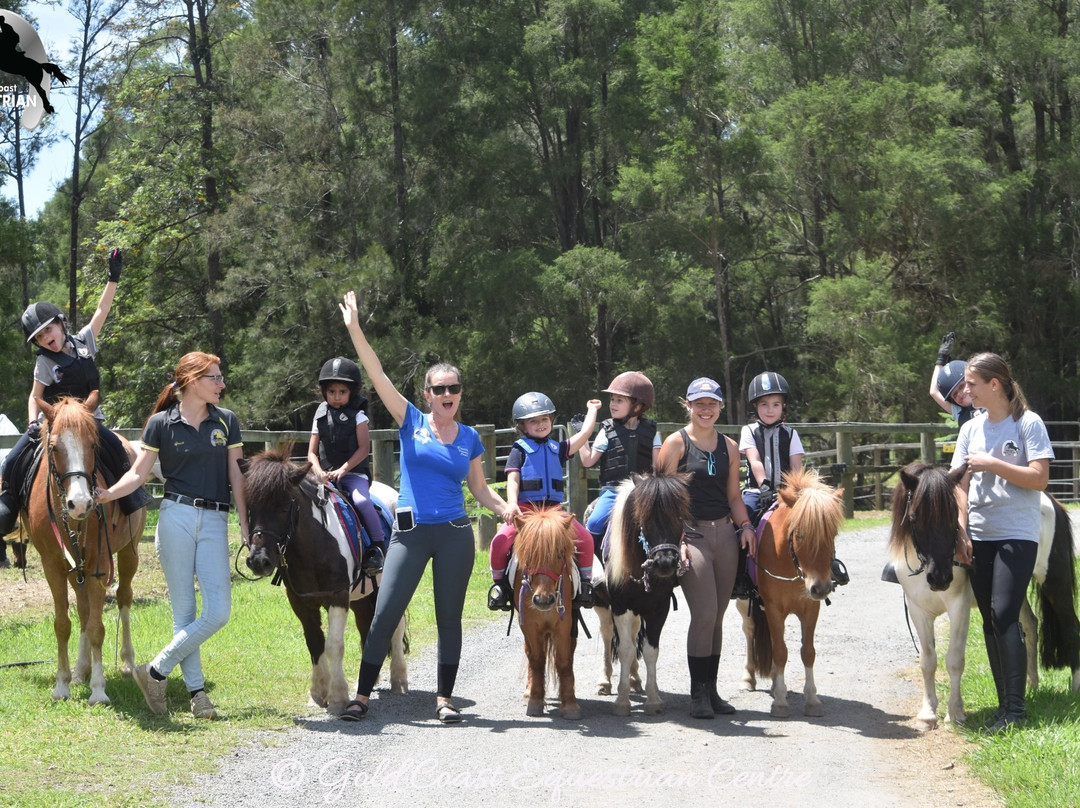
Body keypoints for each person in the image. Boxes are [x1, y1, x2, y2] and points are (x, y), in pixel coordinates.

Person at [338, 291, 518, 723]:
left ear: (460, 393)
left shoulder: (470, 437)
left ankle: (444, 699)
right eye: (439, 389)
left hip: (454, 534)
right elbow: (377, 373)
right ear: (428, 393)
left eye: (454, 388)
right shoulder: (410, 421)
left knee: (448, 618)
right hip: (411, 534)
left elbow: (479, 490)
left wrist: (506, 509)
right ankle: (362, 696)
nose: (447, 393)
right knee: (385, 612)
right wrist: (355, 329)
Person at [97, 352, 249, 720]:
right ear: (192, 381)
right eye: (215, 377)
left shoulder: (226, 422)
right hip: (175, 515)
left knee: (219, 612)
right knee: (184, 613)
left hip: (215, 520)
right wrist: (106, 495)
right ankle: (199, 696)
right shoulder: (160, 424)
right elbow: (139, 474)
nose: (222, 384)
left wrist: (245, 523)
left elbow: (237, 477)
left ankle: (155, 671)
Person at [0, 249, 152, 537]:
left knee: (119, 451)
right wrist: (34, 423)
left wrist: (114, 278)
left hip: (89, 422)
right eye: (40, 338)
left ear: (61, 323)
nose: (47, 340)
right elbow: (35, 396)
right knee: (11, 461)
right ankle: (11, 506)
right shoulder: (44, 362)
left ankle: (131, 500)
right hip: (55, 423)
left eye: (49, 331)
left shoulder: (84, 342)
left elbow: (102, 310)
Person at [950, 352, 1053, 733]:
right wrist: (961, 528)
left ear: (995, 384)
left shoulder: (1028, 423)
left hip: (1017, 532)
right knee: (990, 622)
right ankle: (1003, 708)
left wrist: (992, 464)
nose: (966, 390)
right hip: (980, 534)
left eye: (972, 384)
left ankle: (1016, 712)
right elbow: (959, 484)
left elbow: (1039, 478)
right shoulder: (969, 429)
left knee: (1005, 612)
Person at [657, 377, 754, 719]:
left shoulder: (729, 447)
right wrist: (677, 538)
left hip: (725, 535)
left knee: (718, 618)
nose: (706, 409)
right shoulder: (676, 443)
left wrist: (746, 527)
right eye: (699, 404)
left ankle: (711, 692)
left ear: (720, 407)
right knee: (705, 613)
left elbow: (733, 497)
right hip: (691, 536)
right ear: (689, 406)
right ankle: (697, 695)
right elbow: (663, 500)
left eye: (712, 403)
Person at [486, 393, 601, 611]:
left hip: (555, 511)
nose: (540, 424)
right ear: (522, 425)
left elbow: (585, 433)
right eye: (534, 421)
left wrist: (592, 410)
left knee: (585, 538)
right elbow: (513, 478)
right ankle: (499, 585)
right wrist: (511, 503)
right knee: (500, 541)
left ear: (552, 421)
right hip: (526, 511)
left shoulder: (559, 449)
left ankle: (585, 584)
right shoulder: (518, 450)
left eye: (545, 419)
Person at [307, 356, 386, 571]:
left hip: (353, 475)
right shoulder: (320, 415)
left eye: (342, 392)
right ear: (325, 392)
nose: (336, 397)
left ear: (351, 392)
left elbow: (363, 449)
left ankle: (378, 546)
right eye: (332, 392)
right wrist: (320, 472)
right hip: (324, 476)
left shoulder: (358, 416)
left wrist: (343, 469)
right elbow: (311, 453)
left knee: (360, 501)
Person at [736, 371, 806, 598]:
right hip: (757, 491)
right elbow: (754, 459)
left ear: (783, 407)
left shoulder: (792, 433)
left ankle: (826, 567)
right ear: (755, 406)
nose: (769, 409)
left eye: (776, 404)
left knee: (814, 522)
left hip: (787, 493)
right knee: (741, 521)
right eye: (764, 404)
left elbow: (796, 467)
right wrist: (764, 485)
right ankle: (741, 578)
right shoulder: (748, 431)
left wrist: (792, 494)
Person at [577, 371, 661, 557]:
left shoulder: (652, 431)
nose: (612, 404)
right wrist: (582, 436)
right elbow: (588, 460)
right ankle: (593, 570)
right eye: (612, 399)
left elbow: (656, 468)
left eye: (619, 400)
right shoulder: (606, 430)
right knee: (594, 523)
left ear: (638, 406)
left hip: (642, 492)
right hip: (612, 492)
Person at [930, 332, 976, 428]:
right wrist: (941, 359)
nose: (959, 394)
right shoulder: (959, 412)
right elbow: (934, 391)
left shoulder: (990, 400)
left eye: (961, 386)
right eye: (954, 395)